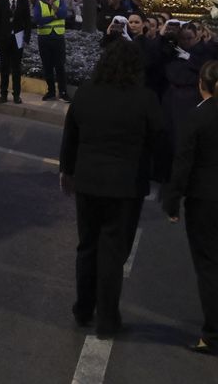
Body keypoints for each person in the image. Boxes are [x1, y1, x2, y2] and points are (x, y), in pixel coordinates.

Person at [59, 39, 166, 339]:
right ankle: (107, 318)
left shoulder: (86, 92)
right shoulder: (144, 98)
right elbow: (159, 138)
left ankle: (83, 307)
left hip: (89, 180)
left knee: (87, 245)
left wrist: (67, 170)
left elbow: (71, 134)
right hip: (125, 185)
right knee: (113, 252)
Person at [164, 61, 218, 356]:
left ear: (200, 84)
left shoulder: (198, 118)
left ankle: (213, 335)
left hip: (205, 201)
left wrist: (172, 200)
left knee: (209, 270)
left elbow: (183, 163)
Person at [0, 0, 33, 104]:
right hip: (4, 39)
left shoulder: (23, 2)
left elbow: (27, 21)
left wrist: (26, 38)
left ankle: (16, 95)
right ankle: (3, 94)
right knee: (4, 67)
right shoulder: (0, 2)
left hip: (18, 38)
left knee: (16, 68)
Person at [33, 0, 72, 102]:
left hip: (58, 37)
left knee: (60, 66)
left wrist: (52, 5)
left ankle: (63, 92)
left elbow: (63, 14)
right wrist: (53, 17)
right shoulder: (39, 3)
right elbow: (38, 20)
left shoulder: (61, 2)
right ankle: (50, 91)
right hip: (44, 38)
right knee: (47, 66)